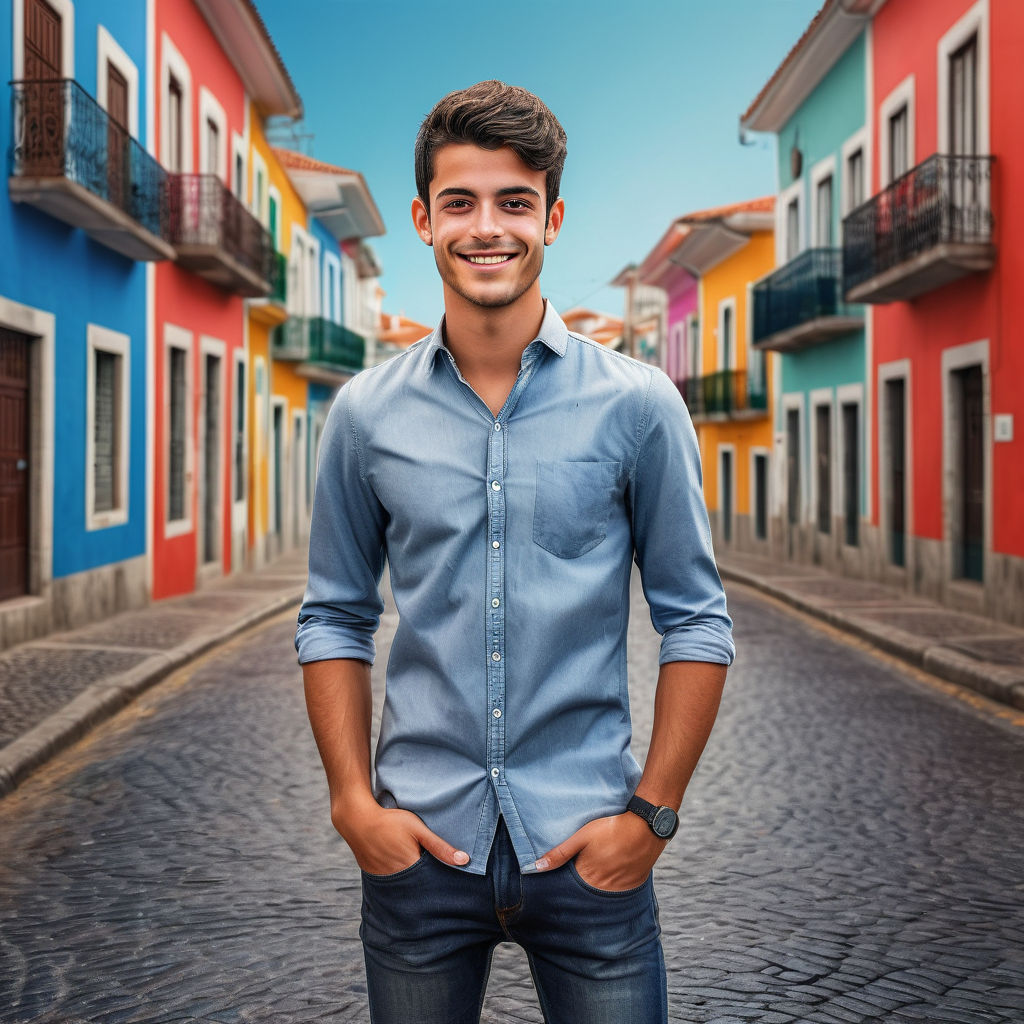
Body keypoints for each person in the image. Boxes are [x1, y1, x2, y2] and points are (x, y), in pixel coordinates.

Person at [296, 80, 734, 1024]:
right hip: (419, 856)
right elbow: (334, 613)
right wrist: (351, 806)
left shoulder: (639, 404)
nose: (486, 227)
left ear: (553, 217)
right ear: (422, 218)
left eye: (514, 202)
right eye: (460, 202)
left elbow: (696, 619)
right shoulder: (365, 416)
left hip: (592, 856)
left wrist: (651, 818)